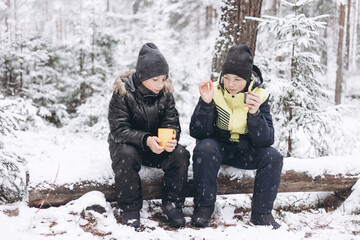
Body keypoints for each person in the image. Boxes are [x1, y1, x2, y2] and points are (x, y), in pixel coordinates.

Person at [189, 44, 283, 229]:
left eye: (237, 79)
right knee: (204, 148)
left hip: (246, 150)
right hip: (218, 147)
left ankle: (262, 213)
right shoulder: (213, 90)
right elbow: (197, 132)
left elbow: (266, 140)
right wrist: (206, 104)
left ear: (247, 78)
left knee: (273, 157)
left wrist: (255, 115)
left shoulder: (259, 96)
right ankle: (203, 208)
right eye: (227, 78)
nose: (231, 84)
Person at [108, 43, 190, 228]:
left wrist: (171, 139)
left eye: (163, 79)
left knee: (181, 154)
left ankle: (173, 205)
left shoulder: (165, 94)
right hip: (128, 145)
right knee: (126, 155)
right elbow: (118, 130)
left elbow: (172, 122)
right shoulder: (123, 93)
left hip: (157, 146)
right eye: (155, 80)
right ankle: (130, 208)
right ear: (142, 76)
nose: (160, 85)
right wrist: (145, 140)